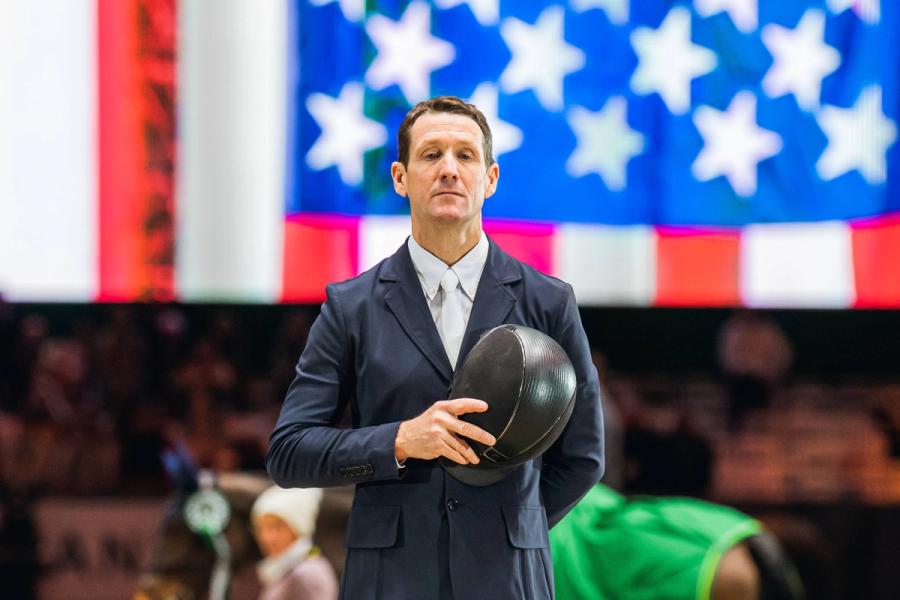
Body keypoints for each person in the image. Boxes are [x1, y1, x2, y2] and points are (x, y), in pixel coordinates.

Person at [266, 96, 604, 599]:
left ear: (490, 178)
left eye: (465, 155)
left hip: (507, 580)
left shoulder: (549, 302)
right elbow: (289, 452)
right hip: (388, 582)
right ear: (401, 178)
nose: (449, 169)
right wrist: (400, 440)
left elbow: (584, 457)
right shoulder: (350, 306)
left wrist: (511, 528)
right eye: (431, 154)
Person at [251, 485, 338, 600]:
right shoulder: (286, 568)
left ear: (298, 529)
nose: (267, 538)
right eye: (261, 528)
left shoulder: (306, 573)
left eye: (277, 527)